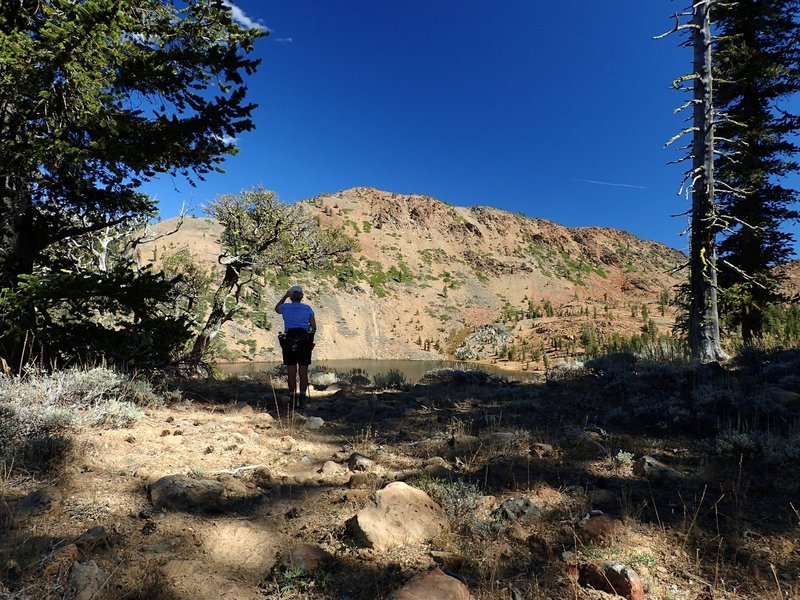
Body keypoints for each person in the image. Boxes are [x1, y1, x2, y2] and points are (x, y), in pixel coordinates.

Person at [274, 285, 316, 409]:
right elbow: (313, 327)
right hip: (304, 341)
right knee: (303, 372)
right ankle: (303, 398)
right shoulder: (307, 308)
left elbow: (276, 309)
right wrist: (309, 336)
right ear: (301, 296)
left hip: (289, 341)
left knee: (291, 372)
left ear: (291, 296)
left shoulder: (285, 307)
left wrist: (285, 296)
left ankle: (292, 398)